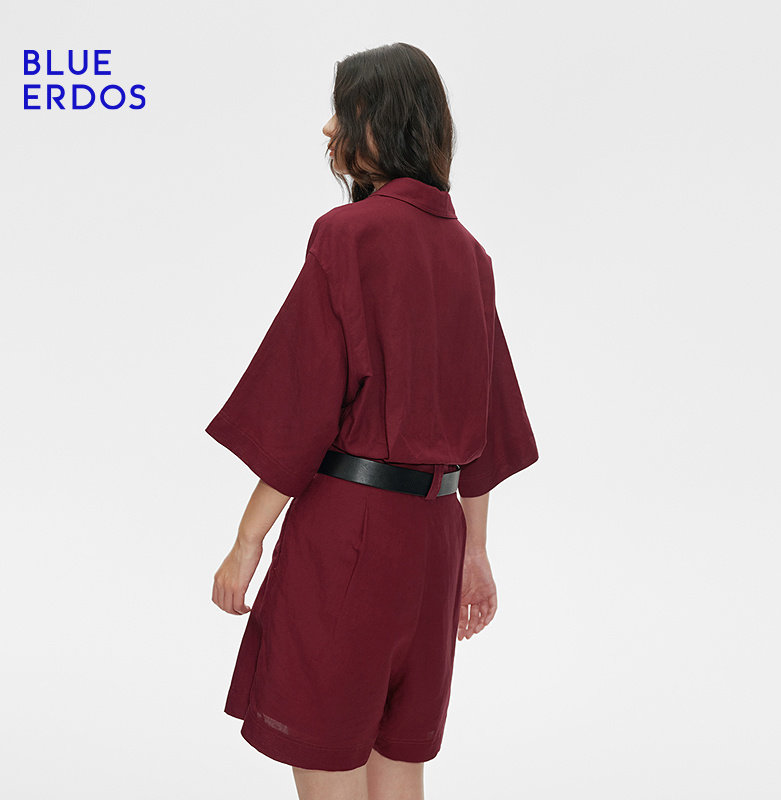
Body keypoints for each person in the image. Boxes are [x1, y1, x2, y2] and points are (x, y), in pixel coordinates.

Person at [205, 42, 539, 800]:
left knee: (329, 758)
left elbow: (299, 412)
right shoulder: (471, 255)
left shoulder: (347, 235)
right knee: (397, 765)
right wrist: (475, 554)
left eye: (342, 111)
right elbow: (484, 426)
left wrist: (247, 542)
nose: (328, 129)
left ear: (380, 121)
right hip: (434, 545)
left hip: (350, 535)